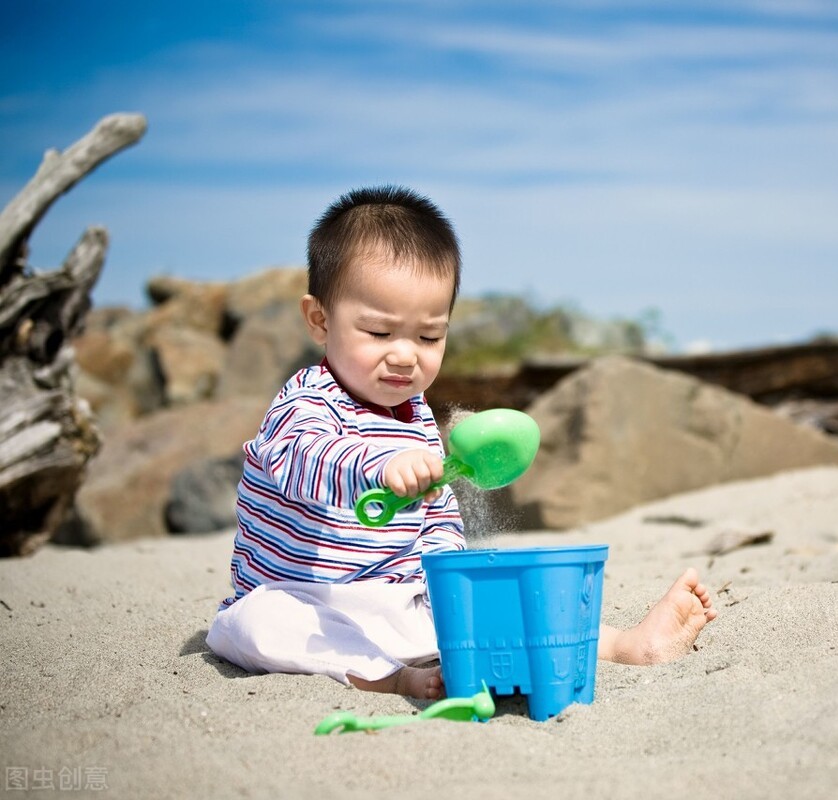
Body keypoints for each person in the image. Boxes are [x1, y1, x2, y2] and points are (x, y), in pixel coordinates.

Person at [207, 185, 716, 699]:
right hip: (306, 604)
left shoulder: (419, 419)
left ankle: (624, 645)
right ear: (320, 320)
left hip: (399, 605)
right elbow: (305, 459)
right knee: (254, 625)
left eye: (429, 337)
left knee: (497, 608)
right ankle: (391, 678)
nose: (406, 356)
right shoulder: (305, 400)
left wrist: (449, 578)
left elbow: (438, 519)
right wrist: (379, 467)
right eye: (380, 334)